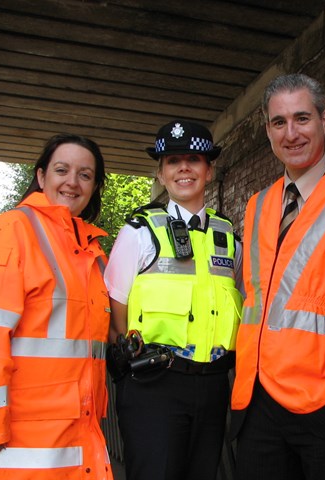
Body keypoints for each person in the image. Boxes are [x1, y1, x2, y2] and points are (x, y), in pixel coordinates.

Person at [230, 73, 325, 480]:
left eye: (302, 119)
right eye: (279, 123)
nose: (291, 133)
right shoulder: (257, 206)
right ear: (268, 130)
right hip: (258, 402)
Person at [0, 134, 112, 479]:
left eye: (85, 175)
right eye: (62, 170)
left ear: (94, 186)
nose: (72, 182)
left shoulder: (90, 253)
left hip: (73, 437)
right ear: (41, 176)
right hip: (13, 446)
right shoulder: (6, 231)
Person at [104, 119, 243, 480]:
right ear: (162, 174)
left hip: (212, 385)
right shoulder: (139, 233)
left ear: (208, 171)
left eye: (194, 160)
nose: (184, 167)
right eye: (173, 161)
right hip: (154, 385)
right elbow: (115, 313)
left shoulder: (229, 239)